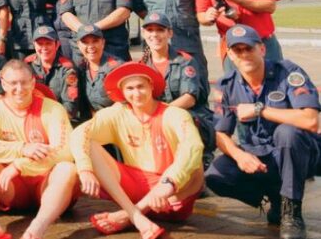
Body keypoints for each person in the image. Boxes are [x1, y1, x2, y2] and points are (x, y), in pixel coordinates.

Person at [205, 25, 320, 239]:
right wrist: (240, 156)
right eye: (237, 50)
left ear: (262, 49)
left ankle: (292, 212)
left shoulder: (288, 73)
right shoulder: (226, 85)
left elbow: (311, 120)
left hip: (302, 153)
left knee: (287, 133)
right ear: (229, 54)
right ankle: (276, 198)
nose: (244, 54)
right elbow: (221, 134)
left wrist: (261, 110)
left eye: (249, 48)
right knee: (216, 175)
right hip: (261, 155)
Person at [73, 63, 204, 239]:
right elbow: (79, 133)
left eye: (141, 86)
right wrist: (84, 169)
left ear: (151, 86)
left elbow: (193, 146)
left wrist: (166, 185)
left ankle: (128, 215)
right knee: (87, 144)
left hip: (170, 194)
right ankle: (137, 217)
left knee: (197, 165)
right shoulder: (117, 113)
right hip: (135, 188)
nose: (136, 93)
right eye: (130, 88)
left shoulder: (173, 114)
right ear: (122, 92)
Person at [0, 60, 78, 239]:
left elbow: (65, 150)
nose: (19, 88)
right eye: (13, 83)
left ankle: (37, 228)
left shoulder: (53, 109)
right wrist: (22, 148)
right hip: (12, 188)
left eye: (24, 82)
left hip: (47, 186)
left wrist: (19, 165)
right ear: (3, 83)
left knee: (67, 168)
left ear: (33, 82)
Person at [138, 12, 215, 168]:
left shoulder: (185, 61)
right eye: (150, 30)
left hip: (188, 117)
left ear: (169, 33)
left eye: (160, 30)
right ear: (143, 34)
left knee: (187, 120)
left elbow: (189, 98)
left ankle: (201, 163)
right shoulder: (142, 66)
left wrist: (159, 114)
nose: (155, 34)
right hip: (156, 120)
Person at [25, 26, 81, 124]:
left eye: (48, 43)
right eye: (40, 44)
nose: (44, 48)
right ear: (34, 45)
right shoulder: (27, 65)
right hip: (32, 116)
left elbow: (70, 106)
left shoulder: (68, 69)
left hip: (60, 119)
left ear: (57, 44)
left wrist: (50, 121)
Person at [76, 23, 120, 123]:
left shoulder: (116, 68)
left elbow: (124, 104)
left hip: (114, 122)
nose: (90, 46)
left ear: (103, 42)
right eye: (85, 42)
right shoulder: (80, 67)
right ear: (78, 45)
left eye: (95, 41)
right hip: (90, 121)